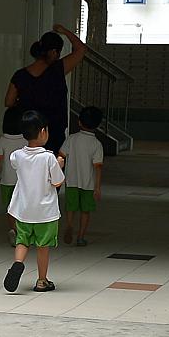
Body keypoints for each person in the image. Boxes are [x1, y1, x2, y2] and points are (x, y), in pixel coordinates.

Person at [3, 111, 66, 294]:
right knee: (42, 246)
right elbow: (57, 182)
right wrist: (59, 164)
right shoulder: (48, 157)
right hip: (45, 212)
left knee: (22, 241)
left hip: (23, 210)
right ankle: (41, 281)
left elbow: (18, 166)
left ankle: (17, 263)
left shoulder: (16, 155)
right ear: (43, 131)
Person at [6, 23, 87, 152]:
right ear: (54, 52)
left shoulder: (20, 75)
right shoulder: (58, 69)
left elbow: (9, 102)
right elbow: (81, 49)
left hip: (28, 132)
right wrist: (64, 31)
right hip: (54, 132)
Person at [60, 106, 106, 247]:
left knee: (70, 207)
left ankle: (69, 224)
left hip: (71, 181)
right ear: (97, 125)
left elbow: (61, 156)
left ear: (79, 122)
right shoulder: (97, 144)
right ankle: (80, 237)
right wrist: (97, 187)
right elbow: (98, 167)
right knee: (85, 211)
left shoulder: (71, 139)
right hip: (88, 184)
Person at [0, 106, 28, 246]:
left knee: (10, 208)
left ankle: (13, 229)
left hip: (6, 180)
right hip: (24, 182)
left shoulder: (2, 141)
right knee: (23, 207)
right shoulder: (26, 140)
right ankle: (22, 232)